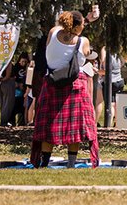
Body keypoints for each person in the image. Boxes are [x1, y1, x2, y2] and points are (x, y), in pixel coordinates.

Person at [30, 10, 99, 168]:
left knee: (49, 126)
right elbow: (88, 54)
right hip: (74, 87)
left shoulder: (53, 32)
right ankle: (71, 164)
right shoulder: (83, 42)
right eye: (82, 24)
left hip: (51, 83)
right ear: (79, 26)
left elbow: (63, 35)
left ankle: (44, 163)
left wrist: (85, 20)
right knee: (74, 128)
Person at [0, 54, 31, 126]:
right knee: (9, 105)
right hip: (15, 90)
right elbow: (9, 75)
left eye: (25, 62)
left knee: (22, 108)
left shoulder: (27, 68)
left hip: (23, 91)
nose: (23, 63)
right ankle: (8, 121)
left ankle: (22, 122)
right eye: (22, 61)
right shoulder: (15, 67)